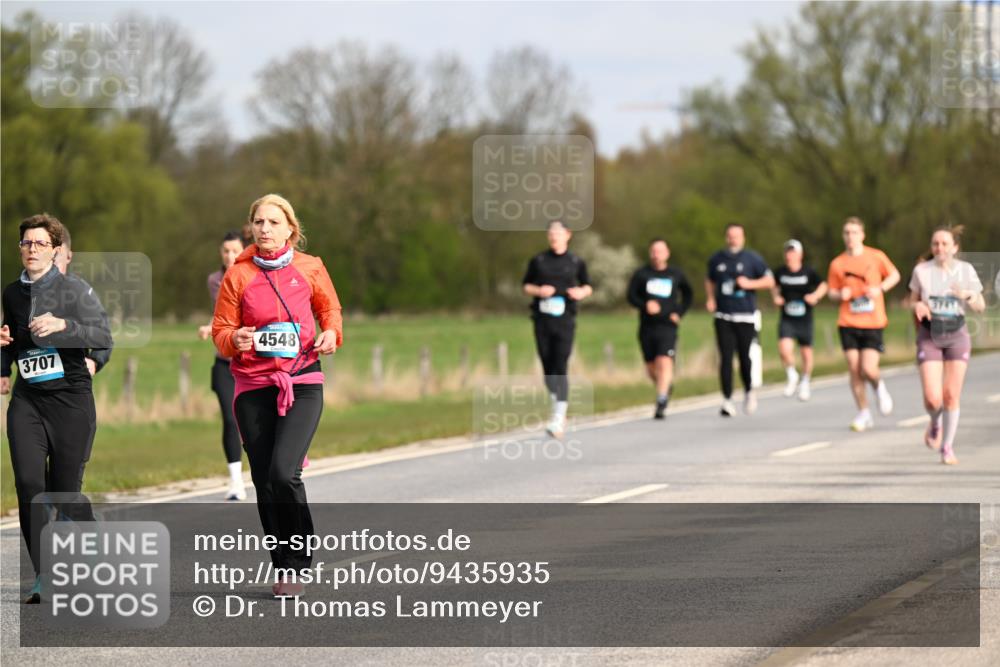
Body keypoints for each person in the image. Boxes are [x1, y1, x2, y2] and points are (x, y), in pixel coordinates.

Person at [212, 194, 342, 597]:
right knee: (264, 480)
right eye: (258, 222)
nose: (264, 228)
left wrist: (331, 334)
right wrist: (235, 338)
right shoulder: (238, 274)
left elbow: (330, 312)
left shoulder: (311, 267)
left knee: (284, 472)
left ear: (290, 229)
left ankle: (299, 560)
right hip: (253, 386)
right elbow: (221, 331)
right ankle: (283, 565)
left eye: (273, 222)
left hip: (302, 380)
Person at [1, 213, 113, 603]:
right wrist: (3, 361)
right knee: (30, 485)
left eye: (40, 244)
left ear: (55, 250)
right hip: (28, 400)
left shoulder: (74, 290)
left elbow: (102, 335)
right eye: (26, 243)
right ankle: (44, 575)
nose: (32, 249)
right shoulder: (11, 293)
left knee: (65, 492)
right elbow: (12, 339)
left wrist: (65, 326)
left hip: (70, 400)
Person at [908, 226, 985, 465]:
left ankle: (947, 446)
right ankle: (935, 422)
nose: (939, 247)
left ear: (954, 247)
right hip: (929, 335)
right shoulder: (922, 271)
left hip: (956, 335)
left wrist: (967, 295)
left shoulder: (966, 270)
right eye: (935, 243)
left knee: (951, 395)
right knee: (933, 399)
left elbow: (981, 306)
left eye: (944, 243)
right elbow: (911, 301)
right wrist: (918, 306)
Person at [826, 217, 901, 432]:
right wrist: (840, 294)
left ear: (862, 235)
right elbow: (831, 291)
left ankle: (879, 387)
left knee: (868, 369)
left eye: (854, 232)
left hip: (872, 321)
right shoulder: (837, 263)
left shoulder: (875, 256)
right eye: (847, 233)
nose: (850, 236)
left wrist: (880, 289)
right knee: (854, 368)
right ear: (843, 236)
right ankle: (864, 412)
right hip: (848, 321)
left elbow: (895, 275)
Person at [522, 220, 593, 438]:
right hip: (542, 320)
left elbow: (588, 286)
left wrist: (580, 293)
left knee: (561, 364)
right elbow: (526, 286)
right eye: (551, 233)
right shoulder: (538, 261)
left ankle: (558, 417)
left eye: (558, 233)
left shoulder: (575, 262)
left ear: (568, 235)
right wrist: (539, 291)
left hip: (565, 320)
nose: (554, 236)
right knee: (548, 368)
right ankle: (557, 405)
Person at [705, 223, 774, 416]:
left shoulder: (752, 258)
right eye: (730, 236)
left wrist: (749, 283)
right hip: (723, 315)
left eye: (736, 236)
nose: (733, 239)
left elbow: (769, 281)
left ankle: (749, 390)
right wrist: (710, 298)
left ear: (743, 238)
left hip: (745, 315)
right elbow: (709, 279)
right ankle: (727, 399)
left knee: (744, 356)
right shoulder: (717, 259)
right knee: (725, 357)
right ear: (726, 237)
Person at [198, 231, 247, 500]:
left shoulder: (255, 275)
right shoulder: (214, 280)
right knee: (230, 418)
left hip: (251, 363)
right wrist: (211, 327)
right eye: (226, 251)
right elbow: (222, 312)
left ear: (244, 251)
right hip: (225, 363)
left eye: (235, 251)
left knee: (254, 420)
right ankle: (236, 482)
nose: (230, 256)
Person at [627, 238, 694, 419]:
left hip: (668, 326)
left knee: (664, 361)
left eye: (660, 251)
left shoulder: (675, 274)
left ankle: (661, 400)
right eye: (654, 251)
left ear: (667, 253)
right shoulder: (642, 274)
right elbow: (631, 296)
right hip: (647, 326)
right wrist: (644, 305)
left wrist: (679, 313)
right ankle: (665, 386)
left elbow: (688, 294)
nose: (657, 255)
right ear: (650, 253)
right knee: (651, 367)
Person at [771, 239, 827, 401]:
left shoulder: (808, 271)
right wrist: (776, 297)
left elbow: (824, 285)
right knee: (784, 349)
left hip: (805, 318)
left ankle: (805, 382)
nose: (790, 256)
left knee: (806, 353)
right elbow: (773, 285)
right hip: (787, 317)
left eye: (793, 252)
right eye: (787, 252)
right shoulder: (780, 272)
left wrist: (815, 296)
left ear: (800, 255)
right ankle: (792, 375)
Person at [52, 225, 112, 376]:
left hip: (69, 383)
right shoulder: (22, 291)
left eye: (57, 254)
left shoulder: (80, 292)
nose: (51, 260)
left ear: (68, 256)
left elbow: (103, 336)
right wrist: (3, 370)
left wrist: (94, 361)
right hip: (30, 386)